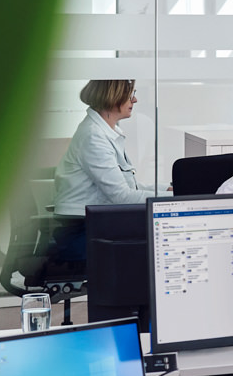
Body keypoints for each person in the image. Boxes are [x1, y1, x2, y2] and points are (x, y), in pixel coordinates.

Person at [52, 80, 156, 261]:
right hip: (83, 230)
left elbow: (131, 187)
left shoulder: (107, 130)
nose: (135, 100)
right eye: (130, 94)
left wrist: (169, 191)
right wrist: (171, 199)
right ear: (112, 97)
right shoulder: (94, 136)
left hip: (97, 222)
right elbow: (122, 197)